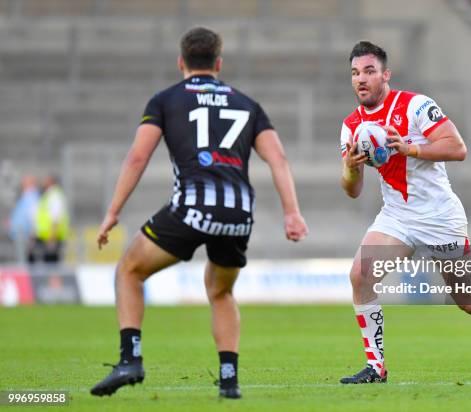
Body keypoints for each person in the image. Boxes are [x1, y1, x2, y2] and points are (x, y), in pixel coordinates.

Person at [90, 27, 308, 399]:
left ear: (181, 63)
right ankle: (228, 381)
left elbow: (138, 157)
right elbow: (278, 158)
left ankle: (131, 359)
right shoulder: (247, 104)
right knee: (220, 292)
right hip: (238, 213)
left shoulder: (165, 100)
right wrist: (292, 212)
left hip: (192, 207)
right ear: (218, 64)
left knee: (129, 270)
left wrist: (113, 212)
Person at [338, 41, 471, 384]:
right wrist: (352, 168)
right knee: (360, 275)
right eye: (355, 73)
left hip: (439, 216)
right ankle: (376, 368)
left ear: (385, 75)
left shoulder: (414, 105)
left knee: (469, 301)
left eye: (369, 71)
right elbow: (352, 190)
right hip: (397, 215)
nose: (361, 79)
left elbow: (458, 148)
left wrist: (409, 147)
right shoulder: (352, 125)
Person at [31, 175, 69, 263]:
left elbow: (56, 218)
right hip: (44, 237)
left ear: (51, 182)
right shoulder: (47, 195)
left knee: (51, 266)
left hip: (50, 238)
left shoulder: (54, 195)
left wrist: (52, 238)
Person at [8, 174, 39, 263]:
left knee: (25, 261)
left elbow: (34, 217)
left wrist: (32, 235)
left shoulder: (31, 197)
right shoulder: (26, 196)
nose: (22, 183)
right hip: (20, 235)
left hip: (25, 236)